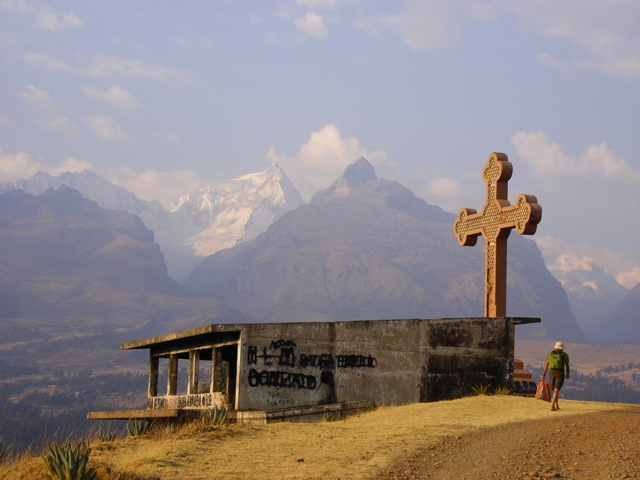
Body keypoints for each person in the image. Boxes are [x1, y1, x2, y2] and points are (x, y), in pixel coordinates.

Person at [541, 341, 570, 411]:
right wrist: (567, 373)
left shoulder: (551, 354)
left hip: (551, 372)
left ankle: (556, 405)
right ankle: (552, 405)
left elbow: (546, 364)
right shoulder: (564, 355)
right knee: (557, 389)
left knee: (554, 389)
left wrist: (543, 374)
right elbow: (567, 365)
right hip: (560, 373)